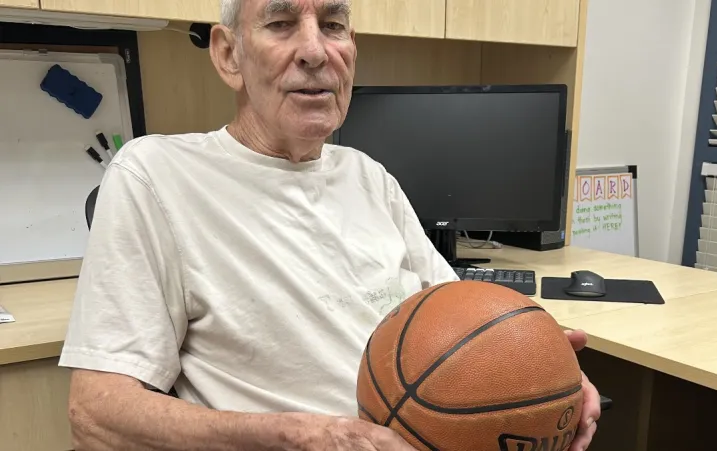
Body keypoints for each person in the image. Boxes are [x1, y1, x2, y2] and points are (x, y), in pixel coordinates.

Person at [60, 0, 601, 449]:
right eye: (280, 23)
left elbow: (464, 325)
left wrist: (542, 374)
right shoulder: (156, 175)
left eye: (333, 24)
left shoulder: (369, 176)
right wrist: (297, 436)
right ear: (228, 55)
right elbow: (96, 415)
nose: (316, 51)